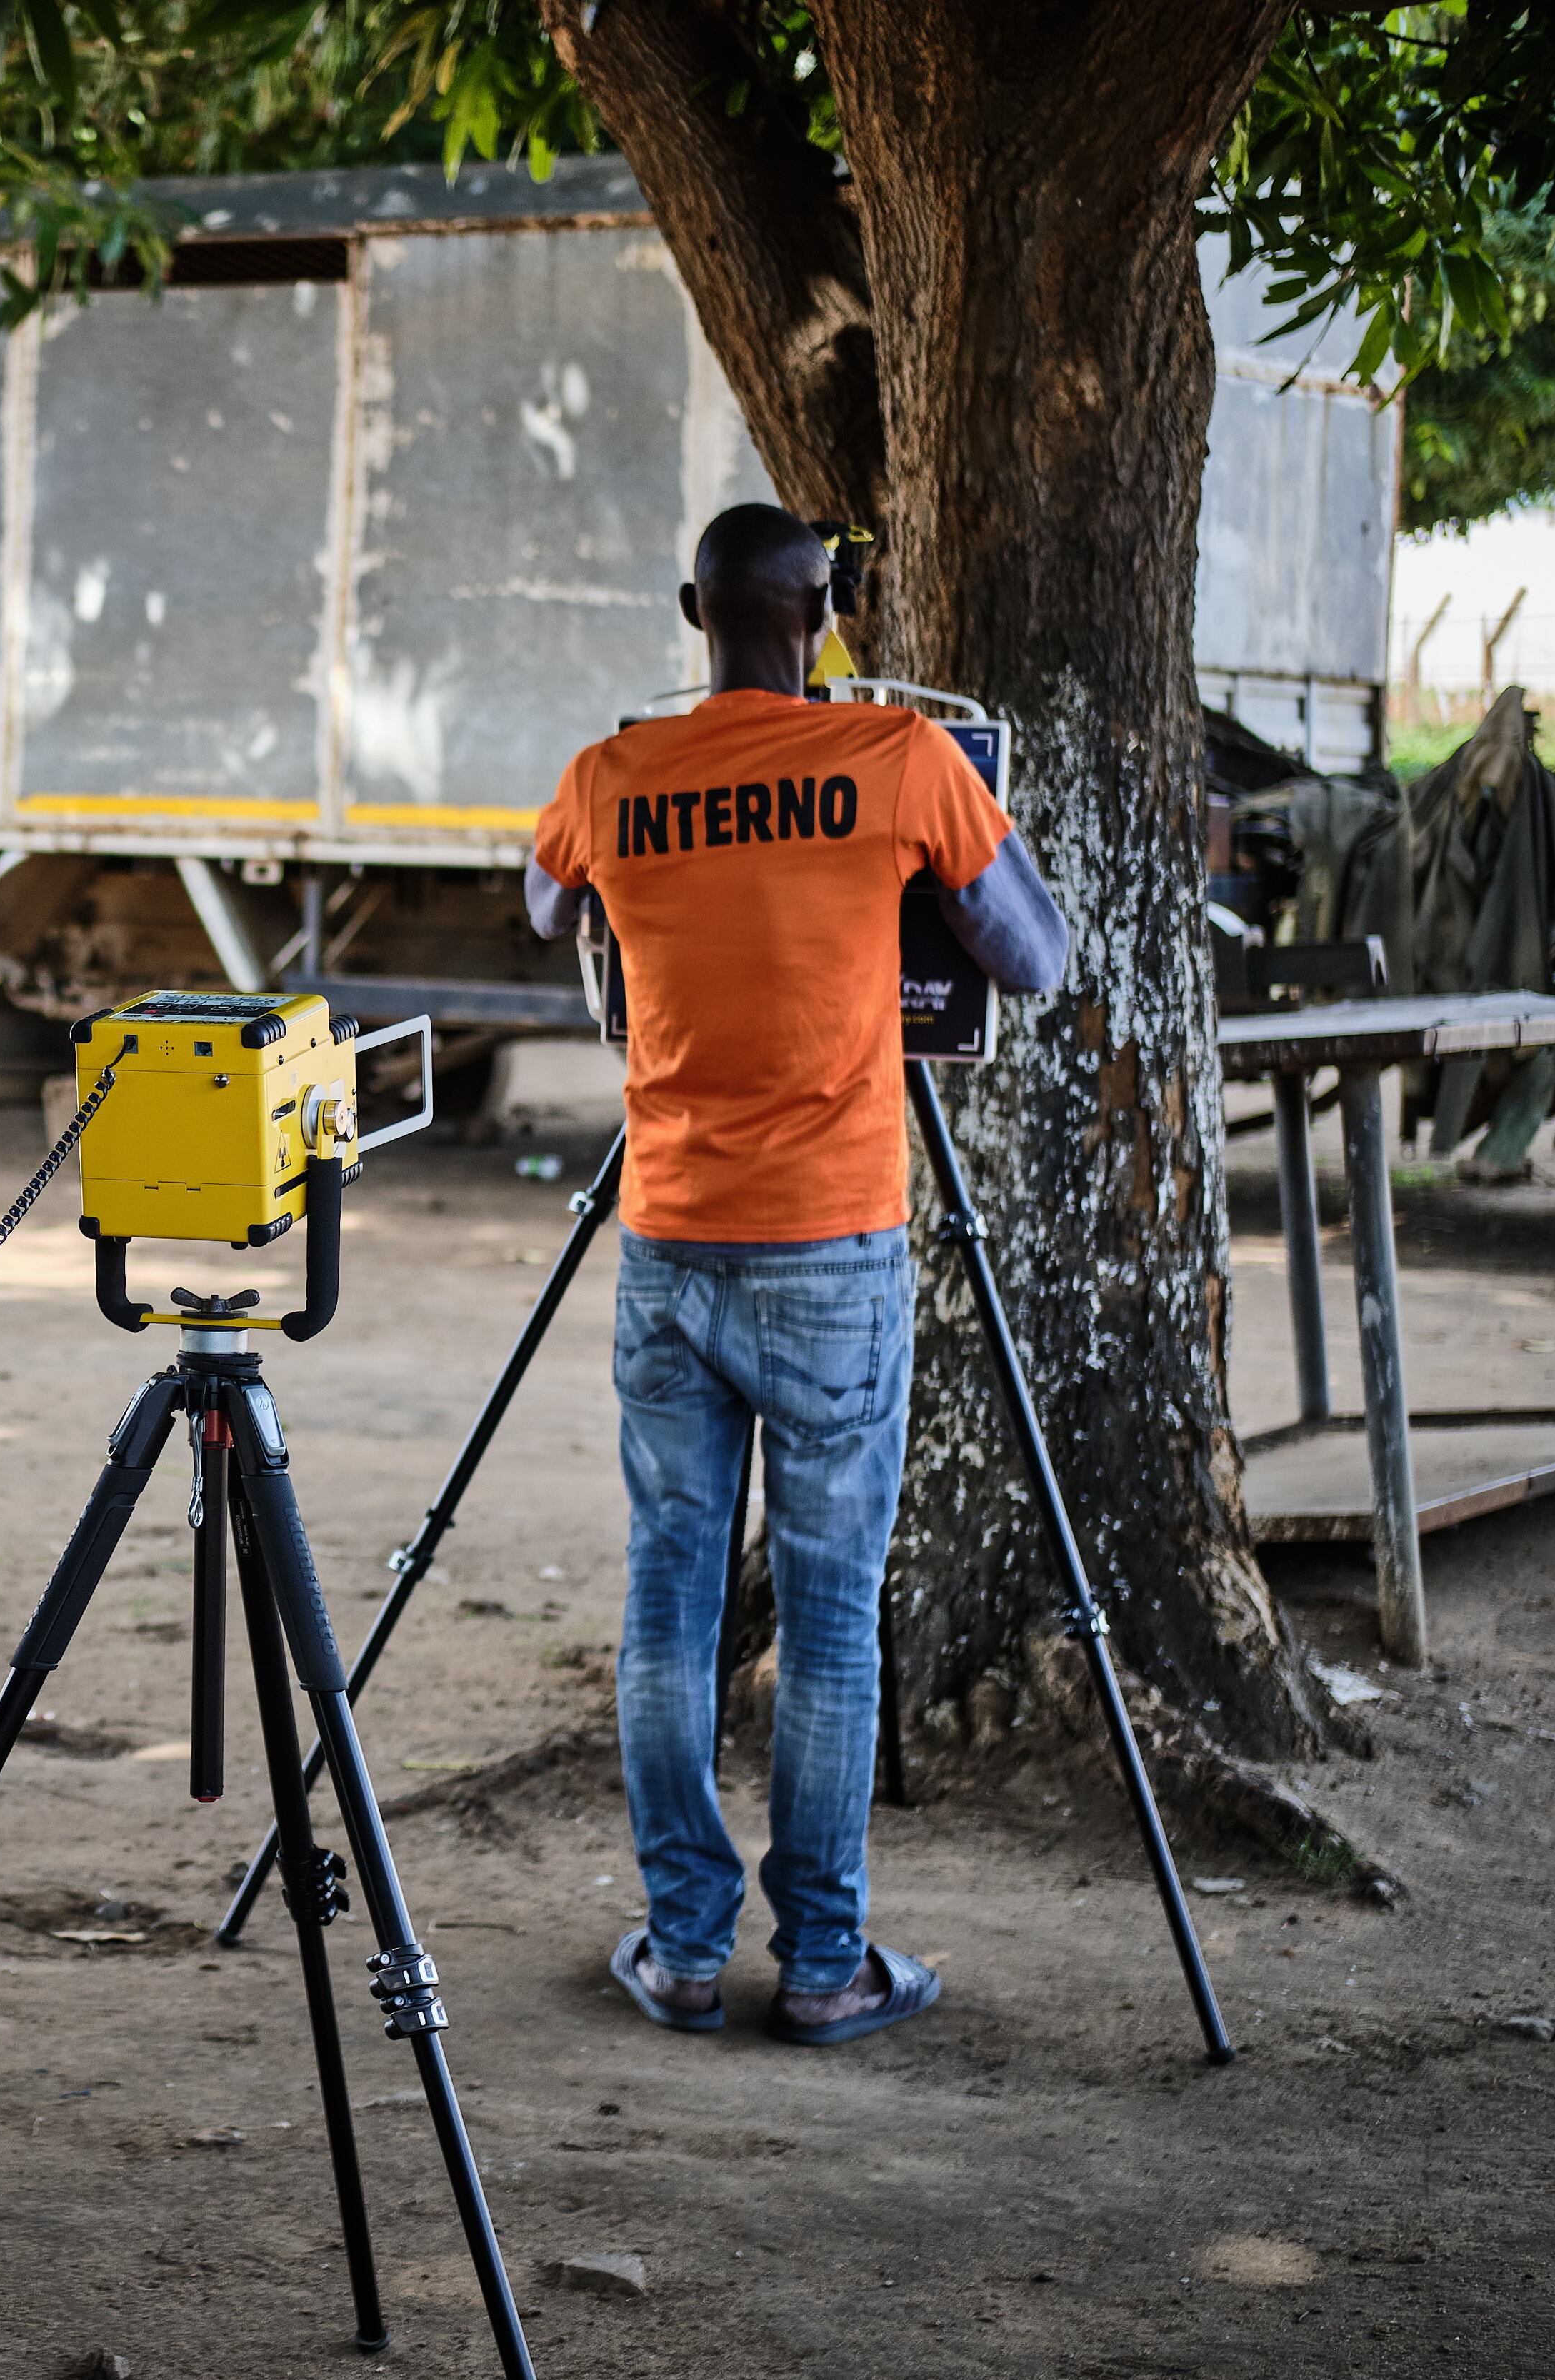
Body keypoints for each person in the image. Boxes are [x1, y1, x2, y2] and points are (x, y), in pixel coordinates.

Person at [522, 506, 1066, 2047]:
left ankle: (684, 1948)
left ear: (692, 607)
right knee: (828, 1617)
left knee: (667, 1599)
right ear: (822, 609)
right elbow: (1032, 956)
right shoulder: (899, 761)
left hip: (669, 1238)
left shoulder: (610, 776)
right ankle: (823, 1965)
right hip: (832, 1244)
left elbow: (547, 907)